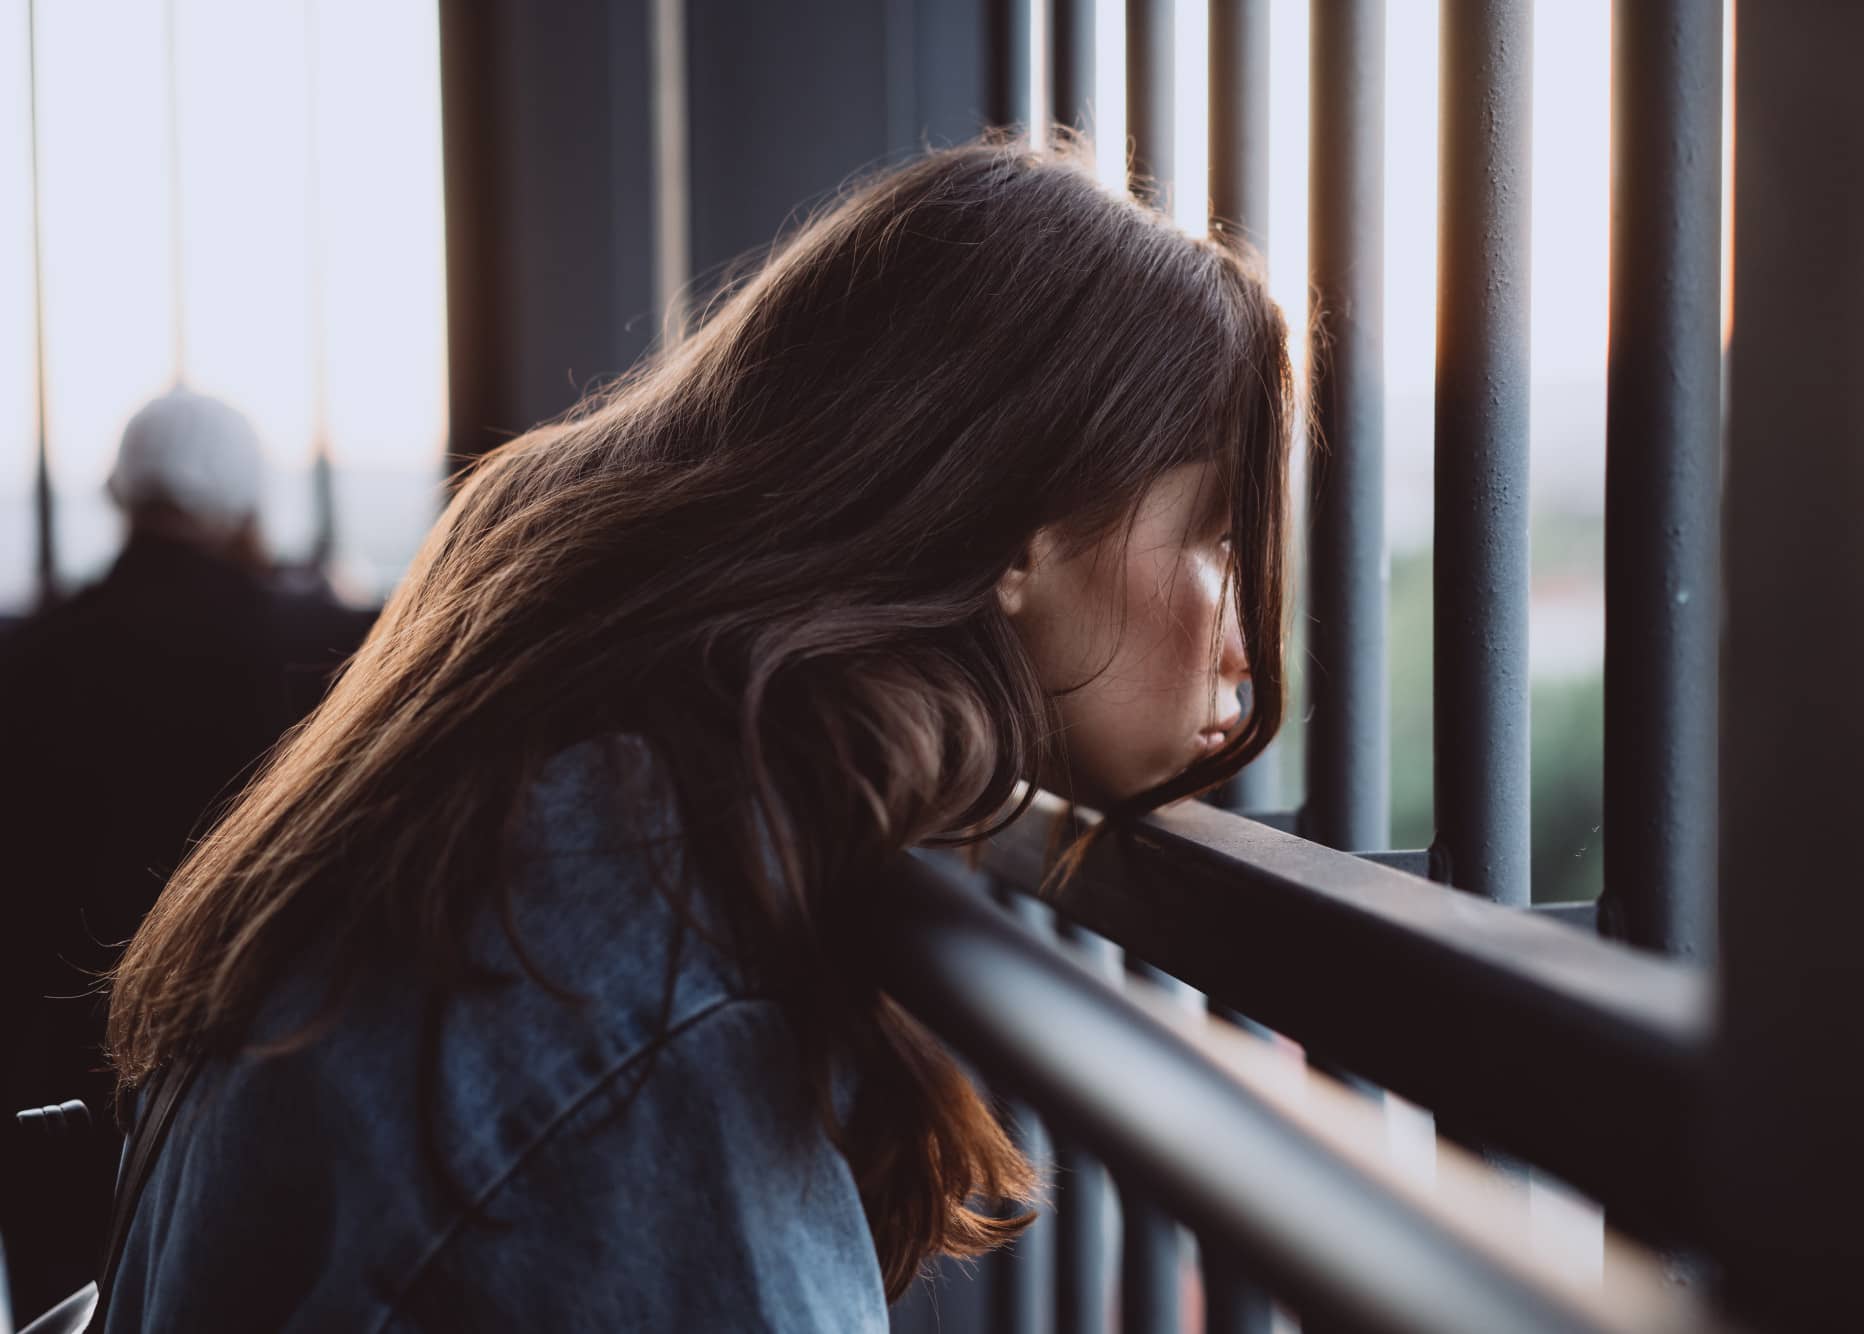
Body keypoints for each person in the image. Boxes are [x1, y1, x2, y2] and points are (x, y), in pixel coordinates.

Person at [95, 136, 1294, 1331]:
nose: (1248, 633)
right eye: (1219, 539)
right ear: (1017, 532)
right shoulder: (639, 953)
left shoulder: (562, 794)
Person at [0, 389, 374, 1321]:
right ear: (246, 500)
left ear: (121, 495)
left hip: (56, 1069)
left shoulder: (29, 656)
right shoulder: (317, 650)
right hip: (257, 1048)